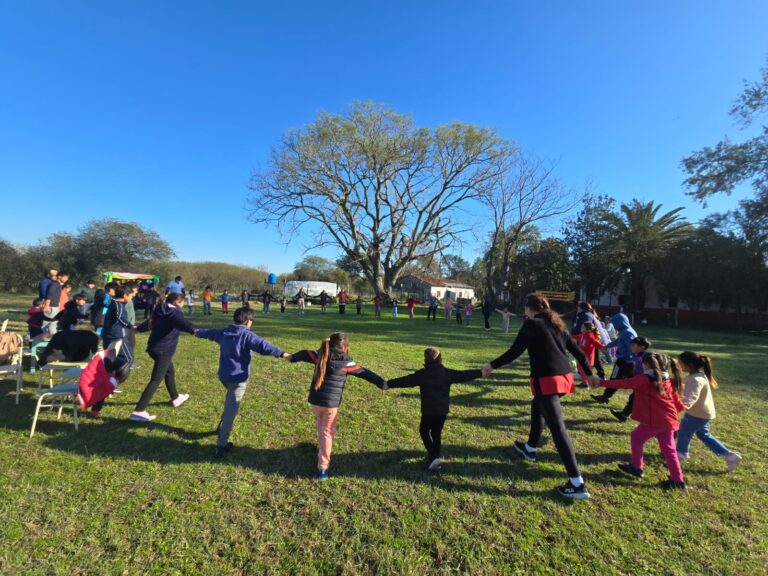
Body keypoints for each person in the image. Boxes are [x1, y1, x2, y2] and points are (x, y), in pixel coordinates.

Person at [483, 294, 594, 500]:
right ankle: (530, 448)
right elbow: (578, 351)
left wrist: (491, 365)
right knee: (538, 407)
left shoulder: (532, 324)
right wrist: (590, 373)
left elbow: (514, 351)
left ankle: (576, 482)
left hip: (548, 381)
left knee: (558, 430)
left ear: (528, 307)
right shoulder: (557, 324)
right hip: (563, 379)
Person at [287, 332, 386, 480]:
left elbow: (304, 354)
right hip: (330, 406)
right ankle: (322, 468)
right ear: (344, 347)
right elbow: (365, 373)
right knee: (327, 433)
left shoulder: (319, 354)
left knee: (322, 427)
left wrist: (291, 357)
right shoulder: (346, 362)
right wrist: (381, 382)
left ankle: (322, 449)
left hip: (315, 402)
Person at [196, 307, 290, 457]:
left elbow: (208, 333)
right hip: (238, 379)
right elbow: (263, 346)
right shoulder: (246, 334)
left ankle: (221, 427)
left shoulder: (224, 332)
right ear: (248, 321)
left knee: (230, 401)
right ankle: (221, 445)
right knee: (231, 409)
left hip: (224, 376)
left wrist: (196, 331)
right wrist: (282, 353)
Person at [589, 352, 687, 490]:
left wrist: (600, 382)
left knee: (636, 437)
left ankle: (637, 467)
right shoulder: (668, 380)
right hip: (669, 420)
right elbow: (676, 401)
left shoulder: (644, 379)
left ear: (646, 365)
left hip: (656, 421)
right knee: (669, 450)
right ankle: (678, 480)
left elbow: (623, 383)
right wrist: (680, 408)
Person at [385, 347, 487, 471]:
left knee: (424, 431)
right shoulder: (447, 373)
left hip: (428, 411)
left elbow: (406, 381)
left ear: (425, 359)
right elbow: (464, 375)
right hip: (442, 411)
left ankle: (433, 457)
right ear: (440, 359)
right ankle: (436, 459)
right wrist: (480, 372)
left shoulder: (422, 374)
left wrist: (388, 384)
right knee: (436, 433)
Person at [130, 292, 196, 422]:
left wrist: (138, 329)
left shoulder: (161, 308)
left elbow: (150, 322)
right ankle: (138, 411)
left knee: (170, 372)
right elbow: (181, 322)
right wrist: (194, 330)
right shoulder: (175, 312)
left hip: (154, 348)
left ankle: (175, 398)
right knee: (156, 379)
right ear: (178, 302)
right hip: (163, 350)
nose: (182, 306)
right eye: (183, 303)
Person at [675, 351, 742, 472]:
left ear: (690, 364)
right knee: (704, 435)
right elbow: (692, 389)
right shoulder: (699, 376)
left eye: (681, 363)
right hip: (704, 413)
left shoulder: (695, 379)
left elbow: (692, 396)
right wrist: (679, 386)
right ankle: (730, 456)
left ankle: (681, 454)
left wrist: (682, 406)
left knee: (684, 432)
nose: (679, 366)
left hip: (696, 414)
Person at [592, 313, 637, 404]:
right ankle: (605, 396)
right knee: (620, 379)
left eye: (615, 324)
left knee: (617, 379)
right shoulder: (625, 331)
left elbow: (632, 348)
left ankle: (606, 396)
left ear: (621, 323)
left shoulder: (628, 333)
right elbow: (618, 341)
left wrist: (634, 360)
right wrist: (608, 346)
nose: (615, 326)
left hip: (625, 362)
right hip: (626, 361)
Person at [609, 336, 651, 422]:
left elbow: (646, 371)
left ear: (642, 347)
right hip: (640, 382)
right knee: (634, 399)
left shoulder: (645, 357)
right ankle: (624, 415)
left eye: (633, 345)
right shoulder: (638, 356)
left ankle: (625, 415)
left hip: (644, 383)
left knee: (638, 400)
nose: (631, 347)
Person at [575, 321, 605, 387]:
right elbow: (578, 336)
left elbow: (596, 343)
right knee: (580, 369)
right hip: (582, 357)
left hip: (587, 359)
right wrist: (569, 337)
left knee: (584, 371)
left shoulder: (590, 336)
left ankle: (586, 384)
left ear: (588, 329)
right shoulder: (583, 335)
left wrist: (603, 347)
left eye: (582, 327)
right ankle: (584, 383)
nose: (581, 327)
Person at [43, 271, 68, 335]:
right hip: (51, 307)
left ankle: (53, 337)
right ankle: (31, 336)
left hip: (55, 306)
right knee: (45, 323)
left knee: (53, 323)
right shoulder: (54, 284)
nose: (66, 279)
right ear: (59, 277)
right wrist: (47, 305)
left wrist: (58, 305)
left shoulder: (58, 284)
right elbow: (50, 294)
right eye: (65, 277)